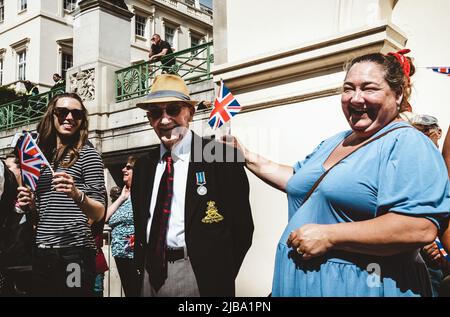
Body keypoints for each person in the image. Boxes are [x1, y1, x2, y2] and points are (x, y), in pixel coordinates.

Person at [224, 50, 450, 296]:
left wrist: (330, 236)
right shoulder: (337, 141)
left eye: (369, 88)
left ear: (397, 95)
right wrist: (246, 155)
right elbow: (297, 181)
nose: (355, 98)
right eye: (348, 88)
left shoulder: (408, 142)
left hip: (361, 286)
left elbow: (418, 227)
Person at [132, 74, 253, 297]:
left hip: (198, 276)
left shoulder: (221, 157)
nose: (165, 120)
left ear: (191, 112)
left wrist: (217, 275)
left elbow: (242, 230)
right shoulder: (143, 166)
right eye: (156, 113)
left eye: (173, 109)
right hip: (148, 276)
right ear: (150, 119)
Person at [16, 92, 107, 297]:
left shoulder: (87, 154)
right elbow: (41, 214)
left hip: (74, 252)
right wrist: (30, 204)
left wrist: (77, 194)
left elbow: (100, 212)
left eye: (77, 113)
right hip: (42, 250)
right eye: (62, 111)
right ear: (52, 115)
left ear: (82, 119)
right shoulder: (39, 158)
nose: (69, 117)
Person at [105, 156, 137, 297]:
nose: (124, 169)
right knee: (130, 291)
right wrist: (121, 198)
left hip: (134, 253)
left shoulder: (141, 192)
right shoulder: (123, 194)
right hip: (120, 253)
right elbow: (104, 218)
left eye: (129, 167)